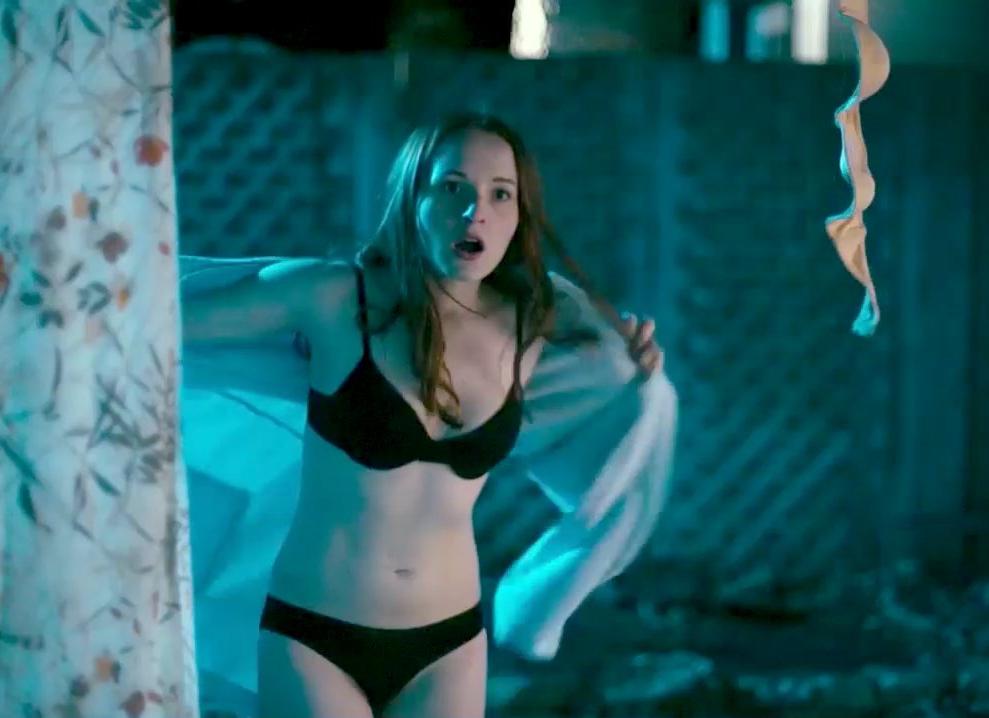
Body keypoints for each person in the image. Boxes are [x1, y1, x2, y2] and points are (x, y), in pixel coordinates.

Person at [180, 112, 668, 718]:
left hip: (448, 646)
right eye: (452, 188)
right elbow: (157, 325)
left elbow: (620, 383)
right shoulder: (332, 297)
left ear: (520, 215)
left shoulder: (540, 318)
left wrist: (637, 363)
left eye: (500, 194)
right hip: (315, 638)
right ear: (413, 196)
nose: (475, 212)